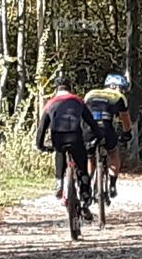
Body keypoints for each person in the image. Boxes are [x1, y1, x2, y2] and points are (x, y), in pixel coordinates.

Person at [36, 74, 104, 222]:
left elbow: (42, 128)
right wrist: (99, 136)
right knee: (82, 167)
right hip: (75, 135)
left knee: (59, 151)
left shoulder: (50, 103)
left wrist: (40, 145)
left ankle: (59, 181)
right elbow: (91, 122)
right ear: (70, 87)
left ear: (56, 89)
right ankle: (85, 197)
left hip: (58, 136)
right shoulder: (78, 101)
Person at [83, 73, 133, 198]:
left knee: (90, 158)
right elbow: (125, 118)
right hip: (106, 128)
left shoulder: (90, 93)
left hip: (88, 128)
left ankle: (87, 184)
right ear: (120, 87)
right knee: (113, 152)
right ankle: (112, 184)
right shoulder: (119, 96)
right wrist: (127, 133)